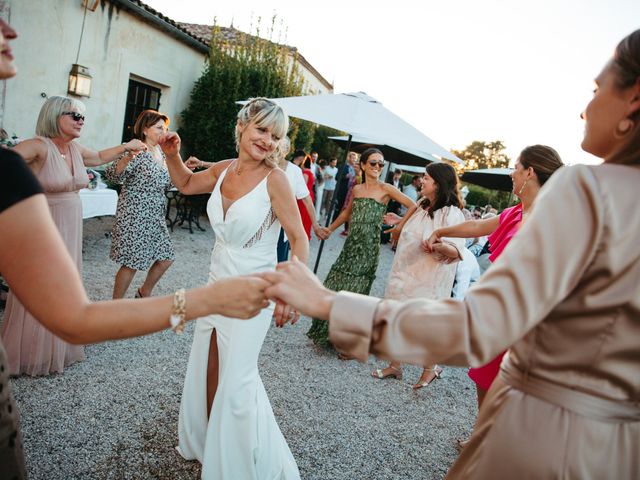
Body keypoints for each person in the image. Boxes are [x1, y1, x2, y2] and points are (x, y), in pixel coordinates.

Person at [262, 29, 640, 479]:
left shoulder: (587, 191)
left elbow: (478, 326)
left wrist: (328, 303)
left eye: (597, 90)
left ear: (633, 101)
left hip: (544, 438)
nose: (585, 107)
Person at [0, 19, 270, 478]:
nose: (12, 27)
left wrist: (168, 155)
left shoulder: (10, 171)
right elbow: (77, 318)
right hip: (138, 218)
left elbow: (170, 179)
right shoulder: (23, 158)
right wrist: (207, 299)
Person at [159, 97, 307, 479]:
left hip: (252, 294)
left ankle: (239, 465)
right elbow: (186, 183)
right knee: (209, 366)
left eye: (275, 136)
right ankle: (212, 445)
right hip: (215, 284)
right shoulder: (224, 170)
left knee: (238, 381)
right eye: (261, 129)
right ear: (242, 126)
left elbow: (299, 238)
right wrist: (173, 154)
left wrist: (290, 289)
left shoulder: (276, 180)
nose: (267, 140)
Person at [1, 95, 146, 376]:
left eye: (82, 117)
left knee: (63, 282)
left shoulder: (75, 149)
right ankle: (29, 352)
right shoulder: (38, 146)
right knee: (39, 281)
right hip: (44, 222)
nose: (81, 121)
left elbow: (102, 157)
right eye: (74, 115)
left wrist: (127, 147)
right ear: (55, 117)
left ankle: (56, 345)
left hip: (70, 222)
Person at [426, 145, 564, 420]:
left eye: (516, 167)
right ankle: (482, 431)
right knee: (484, 374)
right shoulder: (515, 213)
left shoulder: (554, 217)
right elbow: (478, 227)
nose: (511, 173)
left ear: (530, 172)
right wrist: (442, 230)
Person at [307, 148, 415, 350]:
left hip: (368, 247)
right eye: (373, 163)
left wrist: (399, 225)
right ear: (364, 165)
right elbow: (346, 213)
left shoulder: (387, 188)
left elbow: (413, 206)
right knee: (336, 284)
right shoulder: (357, 189)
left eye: (381, 164)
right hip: (351, 245)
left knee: (357, 292)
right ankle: (327, 333)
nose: (377, 167)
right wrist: (329, 229)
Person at [372, 163, 465, 388]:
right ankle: (395, 365)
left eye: (426, 177)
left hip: (428, 281)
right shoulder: (422, 205)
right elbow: (408, 229)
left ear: (438, 183)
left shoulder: (452, 214)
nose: (421, 180)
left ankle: (429, 369)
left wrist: (437, 247)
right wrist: (397, 222)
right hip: (403, 273)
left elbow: (456, 250)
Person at [104, 110, 175, 299]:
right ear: (145, 129)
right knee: (131, 262)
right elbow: (112, 175)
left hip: (156, 215)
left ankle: (143, 293)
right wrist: (128, 157)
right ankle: (115, 305)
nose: (164, 131)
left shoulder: (162, 153)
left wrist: (181, 171)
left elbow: (167, 183)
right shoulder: (137, 150)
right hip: (134, 213)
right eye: (159, 127)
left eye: (166, 128)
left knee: (166, 257)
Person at [331, 151, 357, 222]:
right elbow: (337, 177)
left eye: (355, 158)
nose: (354, 160)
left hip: (351, 192)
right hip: (342, 191)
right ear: (349, 158)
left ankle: (345, 226)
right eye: (353, 158)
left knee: (348, 209)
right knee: (338, 208)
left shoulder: (356, 169)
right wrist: (345, 176)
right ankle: (333, 222)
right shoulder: (343, 166)